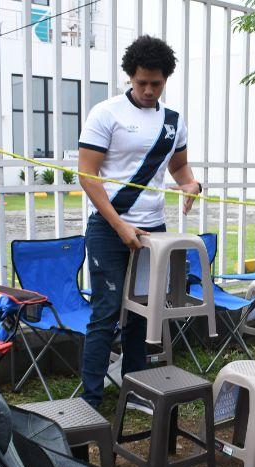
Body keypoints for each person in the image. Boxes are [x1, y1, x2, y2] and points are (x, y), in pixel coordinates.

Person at [78, 35, 201, 411]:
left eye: (156, 83)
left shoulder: (172, 122)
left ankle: (134, 390)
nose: (148, 90)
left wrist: (190, 184)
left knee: (140, 313)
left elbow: (178, 167)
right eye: (141, 82)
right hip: (109, 229)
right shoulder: (106, 113)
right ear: (129, 77)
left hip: (153, 233)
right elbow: (87, 174)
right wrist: (120, 226)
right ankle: (90, 400)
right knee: (106, 313)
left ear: (166, 79)